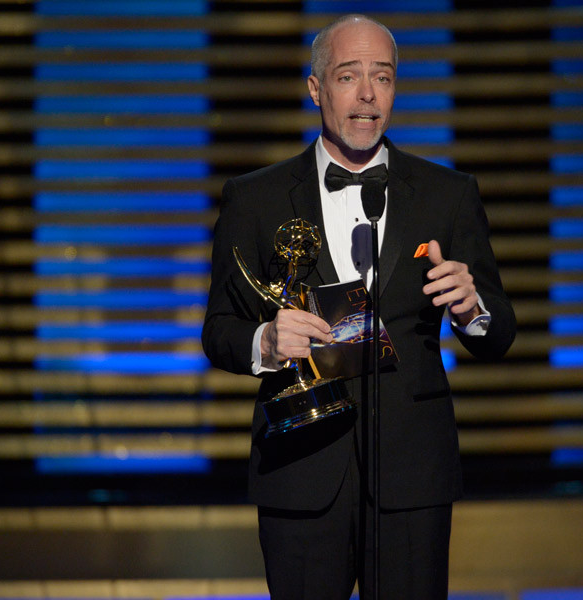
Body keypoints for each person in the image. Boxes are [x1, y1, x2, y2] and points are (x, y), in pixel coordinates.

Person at [202, 14, 516, 599]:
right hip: (299, 469)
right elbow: (218, 330)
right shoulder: (255, 198)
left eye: (384, 77)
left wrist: (474, 309)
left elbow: (498, 333)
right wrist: (264, 343)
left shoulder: (449, 194)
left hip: (411, 474)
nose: (368, 95)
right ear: (317, 88)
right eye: (349, 76)